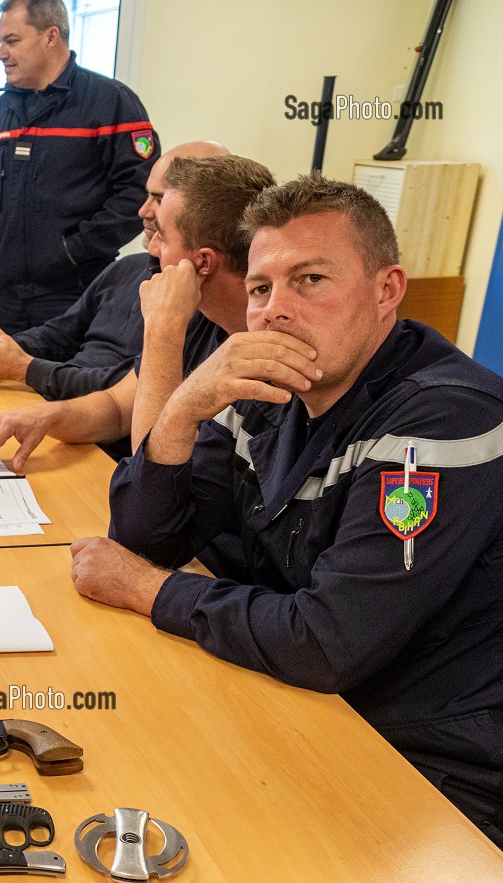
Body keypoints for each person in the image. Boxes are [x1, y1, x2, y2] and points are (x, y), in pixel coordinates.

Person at [71, 174, 503, 848]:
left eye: (310, 280)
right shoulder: (269, 385)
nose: (275, 310)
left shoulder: (442, 419)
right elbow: (143, 535)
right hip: (308, 709)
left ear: (387, 290)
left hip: (428, 767)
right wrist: (185, 406)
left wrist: (146, 590)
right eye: (261, 289)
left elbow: (326, 641)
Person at [0, 153, 275, 472]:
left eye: (162, 235)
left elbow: (153, 473)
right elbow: (118, 407)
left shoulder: (260, 347)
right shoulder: (206, 317)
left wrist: (163, 329)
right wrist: (51, 415)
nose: (152, 248)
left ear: (202, 263)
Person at [0, 140, 229, 403]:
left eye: (158, 199)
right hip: (60, 403)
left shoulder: (203, 305)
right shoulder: (125, 269)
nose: (142, 210)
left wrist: (25, 369)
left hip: (93, 424)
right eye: (146, 196)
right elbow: (60, 334)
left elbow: (124, 391)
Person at [0, 0, 158, 336]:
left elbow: (138, 192)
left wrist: (73, 251)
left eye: (12, 41)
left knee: (69, 385)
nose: (1, 54)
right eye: (0, 43)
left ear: (51, 36)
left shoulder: (110, 102)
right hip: (8, 296)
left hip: (79, 294)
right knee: (9, 384)